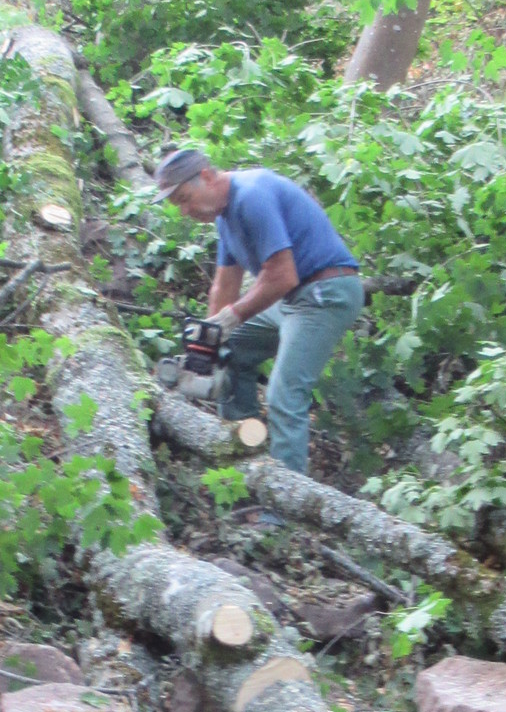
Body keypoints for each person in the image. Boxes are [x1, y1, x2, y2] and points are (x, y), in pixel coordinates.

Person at [154, 144, 363, 475]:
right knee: (231, 351)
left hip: (326, 293)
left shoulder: (251, 195)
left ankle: (287, 496)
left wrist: (233, 317)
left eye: (184, 199)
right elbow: (224, 285)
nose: (184, 211)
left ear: (206, 176)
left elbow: (281, 275)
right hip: (294, 298)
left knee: (284, 395)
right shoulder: (226, 218)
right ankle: (246, 457)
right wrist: (206, 346)